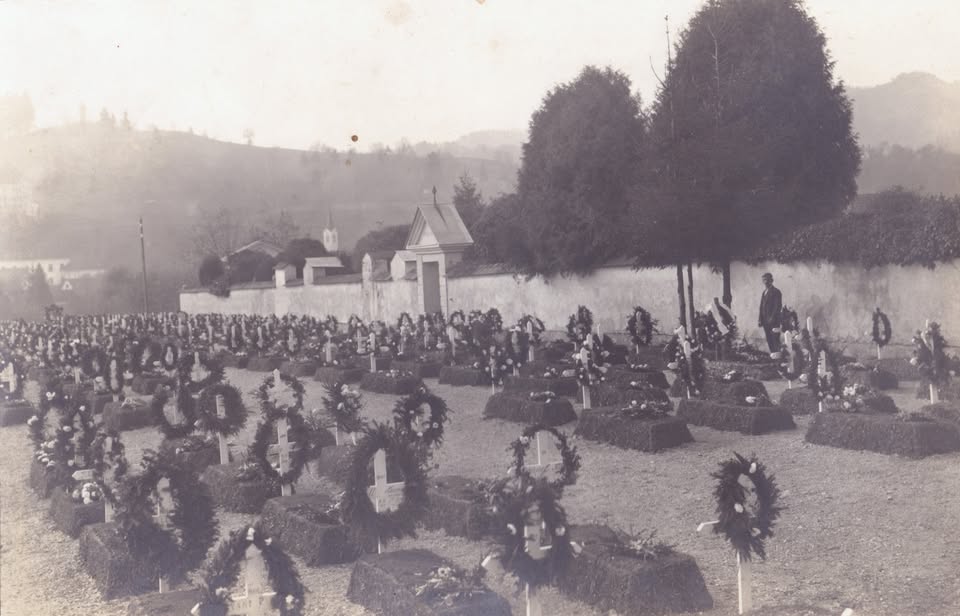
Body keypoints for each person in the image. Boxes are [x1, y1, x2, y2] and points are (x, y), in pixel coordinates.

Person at [758, 272, 782, 352]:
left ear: (771, 280)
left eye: (767, 280)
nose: (765, 282)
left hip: (773, 321)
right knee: (768, 338)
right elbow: (761, 307)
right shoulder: (764, 292)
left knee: (775, 339)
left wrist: (772, 318)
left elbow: (777, 306)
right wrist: (760, 319)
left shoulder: (776, 292)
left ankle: (778, 357)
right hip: (765, 321)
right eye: (764, 280)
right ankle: (773, 355)